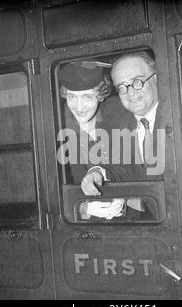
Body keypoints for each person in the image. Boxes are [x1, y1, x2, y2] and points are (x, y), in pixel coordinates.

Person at [80, 52, 167, 219]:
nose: (130, 92)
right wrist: (97, 173)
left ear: (156, 79)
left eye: (137, 82)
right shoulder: (119, 126)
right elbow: (121, 170)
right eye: (122, 86)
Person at [58, 60, 128, 220]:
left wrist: (125, 197)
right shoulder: (56, 123)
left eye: (87, 97)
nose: (79, 107)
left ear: (101, 94)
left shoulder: (119, 113)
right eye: (71, 97)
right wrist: (83, 208)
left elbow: (130, 167)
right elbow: (47, 191)